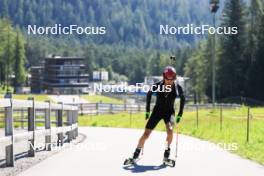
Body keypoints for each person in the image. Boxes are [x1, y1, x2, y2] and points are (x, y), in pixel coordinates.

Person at [131, 66, 185, 163]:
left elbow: (183, 99)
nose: (170, 82)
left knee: (170, 130)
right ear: (163, 77)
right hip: (157, 111)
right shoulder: (158, 85)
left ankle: (166, 155)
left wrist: (180, 114)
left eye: (172, 80)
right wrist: (147, 111)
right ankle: (135, 155)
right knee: (146, 134)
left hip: (169, 112)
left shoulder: (177, 87)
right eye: (168, 80)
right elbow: (149, 94)